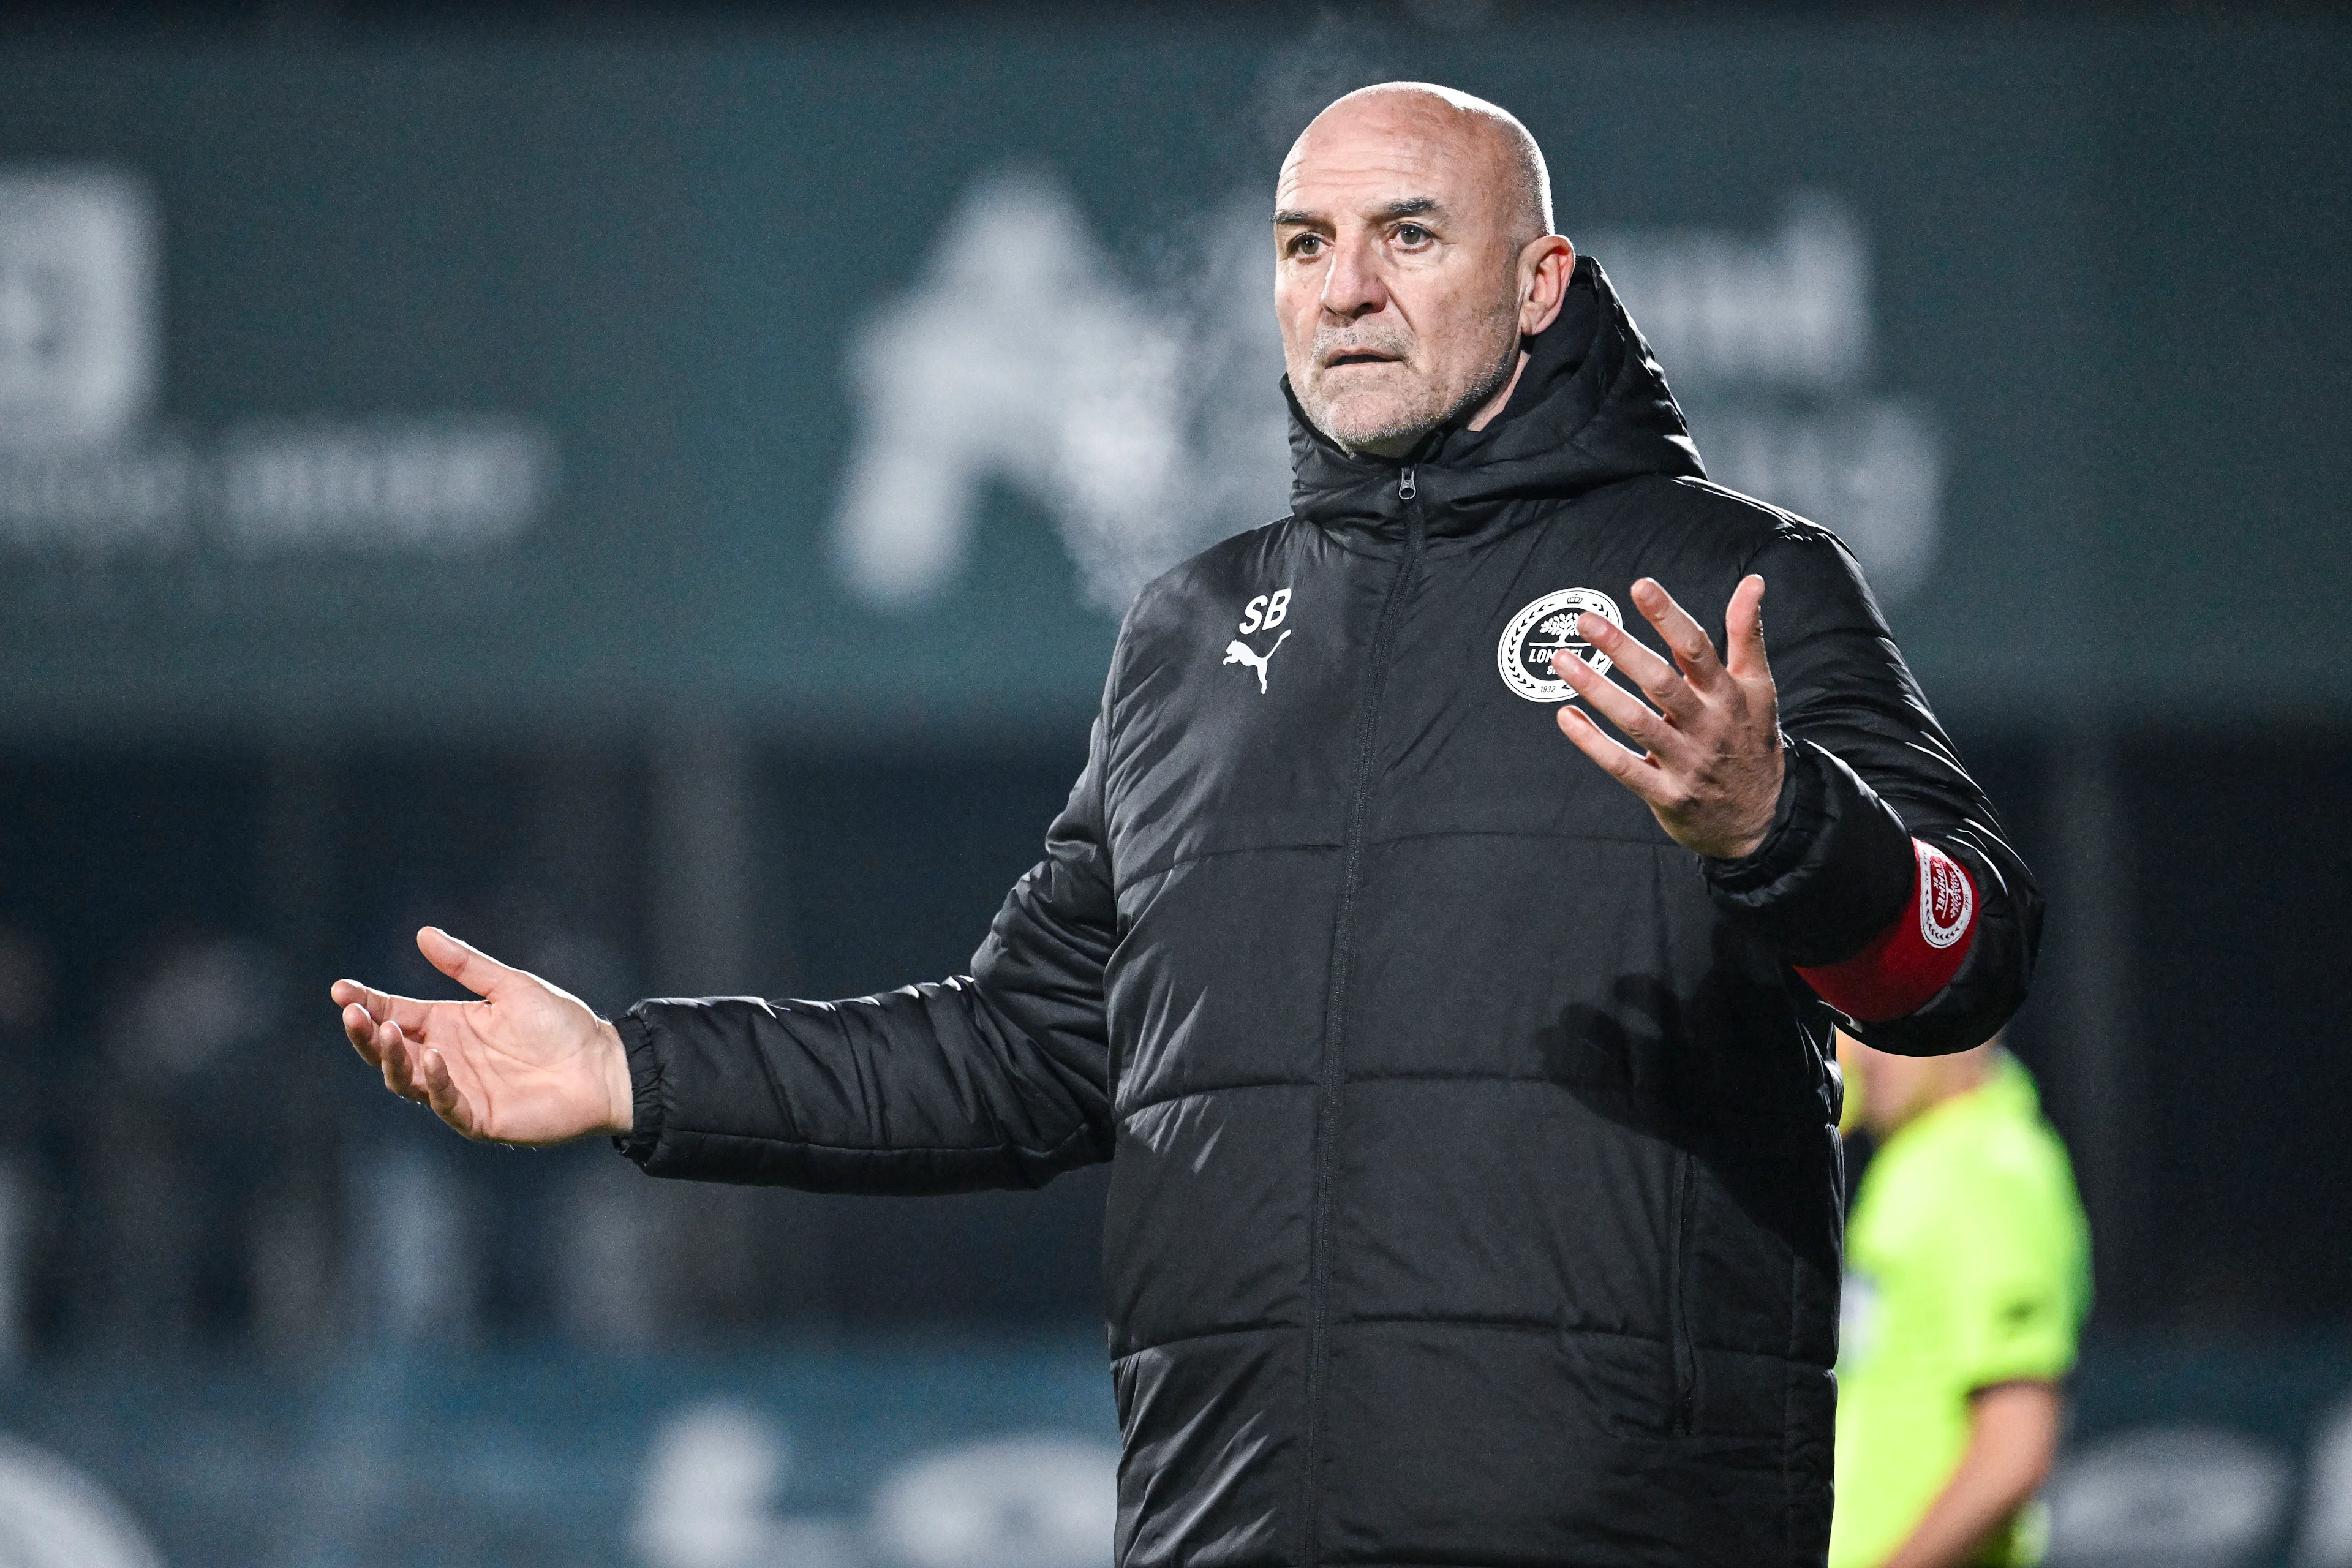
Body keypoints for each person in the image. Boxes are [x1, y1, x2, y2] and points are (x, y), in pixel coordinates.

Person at [332, 83, 2041, 1566]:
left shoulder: (1736, 580)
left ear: (1541, 284)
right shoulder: (1190, 638)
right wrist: (631, 1072)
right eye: (1303, 245)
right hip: (1232, 1526)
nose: (1345, 288)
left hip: (1617, 1527)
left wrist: (1779, 825)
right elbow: (1022, 1054)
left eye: (1408, 237)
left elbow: (1966, 954)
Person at [1831, 1032, 2090, 1568]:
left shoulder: (1991, 1169)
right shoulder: (1917, 1157)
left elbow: (2014, 1448)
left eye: (1894, 1026)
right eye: (1858, 1025)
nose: (1869, 1053)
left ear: (1972, 1021)